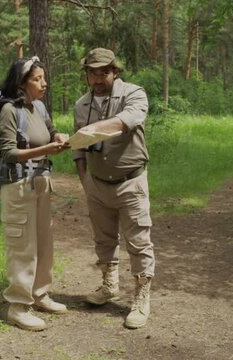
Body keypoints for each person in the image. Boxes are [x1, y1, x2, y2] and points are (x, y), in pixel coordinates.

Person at [72, 48, 155, 329]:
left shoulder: (133, 94)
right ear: (86, 74)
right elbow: (79, 150)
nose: (97, 79)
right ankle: (109, 285)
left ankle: (141, 296)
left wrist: (88, 132)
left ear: (115, 71)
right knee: (103, 239)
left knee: (138, 241)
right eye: (92, 73)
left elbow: (125, 121)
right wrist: (85, 179)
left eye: (103, 72)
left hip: (130, 181)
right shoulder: (81, 105)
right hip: (97, 184)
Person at [0, 56, 69, 331]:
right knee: (22, 246)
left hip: (41, 183)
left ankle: (40, 295)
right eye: (37, 79)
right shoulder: (9, 110)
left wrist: (59, 138)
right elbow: (9, 153)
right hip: (18, 186)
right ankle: (18, 306)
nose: (44, 83)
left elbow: (51, 134)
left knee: (43, 243)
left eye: (43, 78)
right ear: (22, 82)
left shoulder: (39, 106)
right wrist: (46, 151)